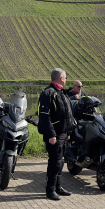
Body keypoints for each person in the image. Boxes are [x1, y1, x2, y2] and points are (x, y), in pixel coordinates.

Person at [38, 68, 74, 201]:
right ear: (60, 78)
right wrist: (51, 134)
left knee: (61, 162)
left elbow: (68, 115)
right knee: (55, 162)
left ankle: (58, 187)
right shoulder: (48, 93)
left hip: (64, 134)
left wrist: (68, 132)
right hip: (54, 136)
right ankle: (50, 190)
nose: (66, 79)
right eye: (65, 77)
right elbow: (44, 117)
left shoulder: (62, 93)